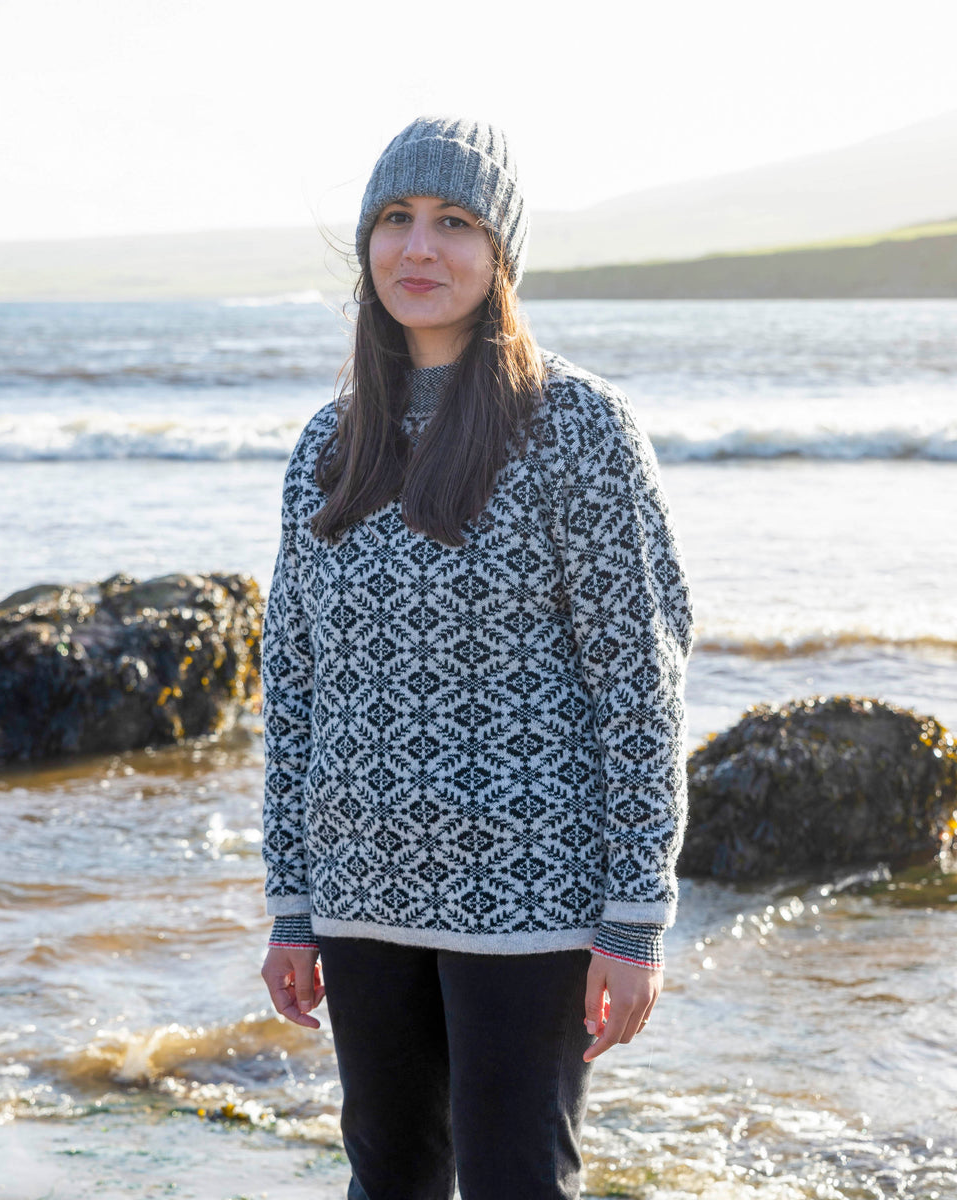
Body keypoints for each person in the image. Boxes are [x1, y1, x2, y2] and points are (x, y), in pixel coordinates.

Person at [260, 116, 693, 1200]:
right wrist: (292, 904)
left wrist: (634, 916)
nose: (420, 249)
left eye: (454, 223)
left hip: (532, 900)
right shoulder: (330, 443)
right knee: (389, 1183)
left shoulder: (578, 428)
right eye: (396, 221)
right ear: (365, 247)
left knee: (515, 1183)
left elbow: (639, 681)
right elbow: (295, 691)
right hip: (362, 897)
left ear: (501, 253)